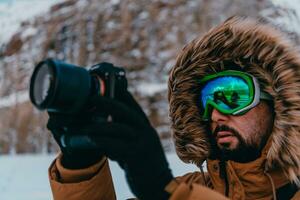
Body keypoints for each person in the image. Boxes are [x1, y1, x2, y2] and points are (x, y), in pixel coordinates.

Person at [47, 16, 300, 199]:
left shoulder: (176, 192)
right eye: (206, 99)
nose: (214, 113)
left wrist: (165, 192)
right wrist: (80, 167)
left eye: (234, 95)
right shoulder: (185, 188)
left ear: (278, 102)